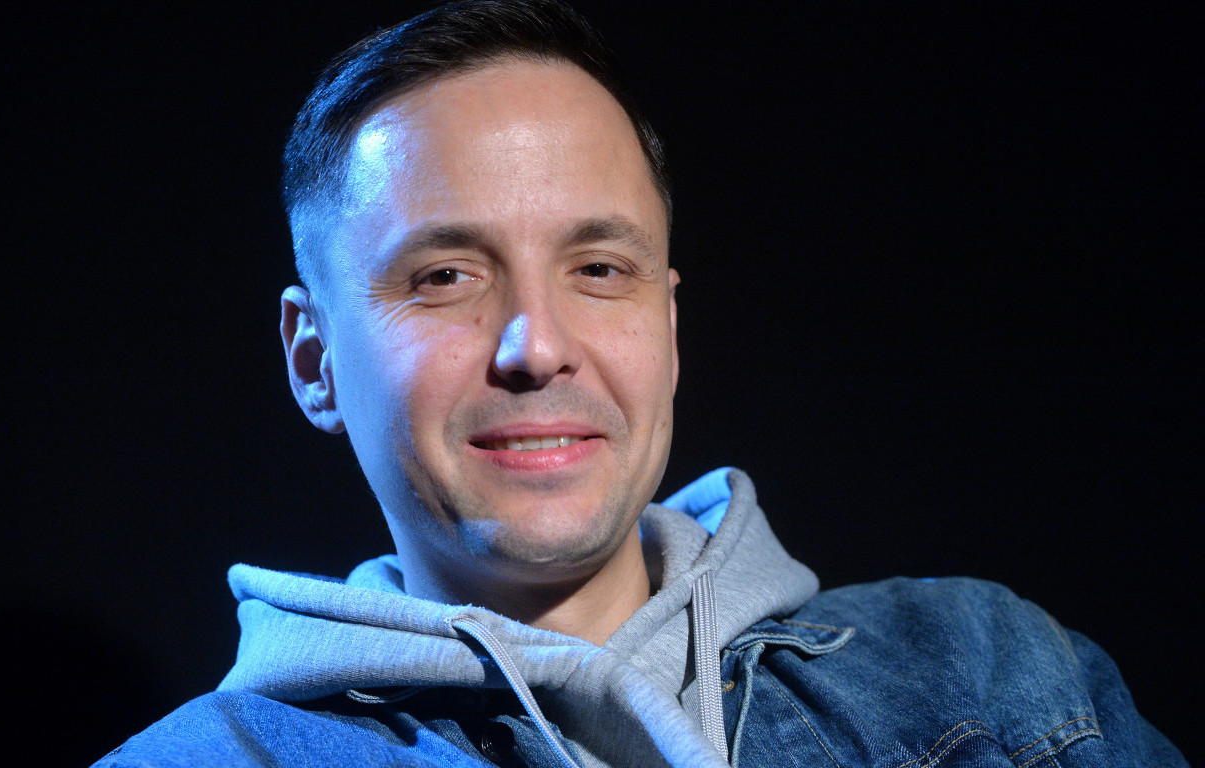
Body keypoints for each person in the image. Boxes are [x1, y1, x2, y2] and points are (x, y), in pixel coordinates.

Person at [93, 1, 1186, 766]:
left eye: (598, 269)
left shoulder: (990, 674)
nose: (535, 347)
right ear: (314, 360)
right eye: (444, 276)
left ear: (665, 320)